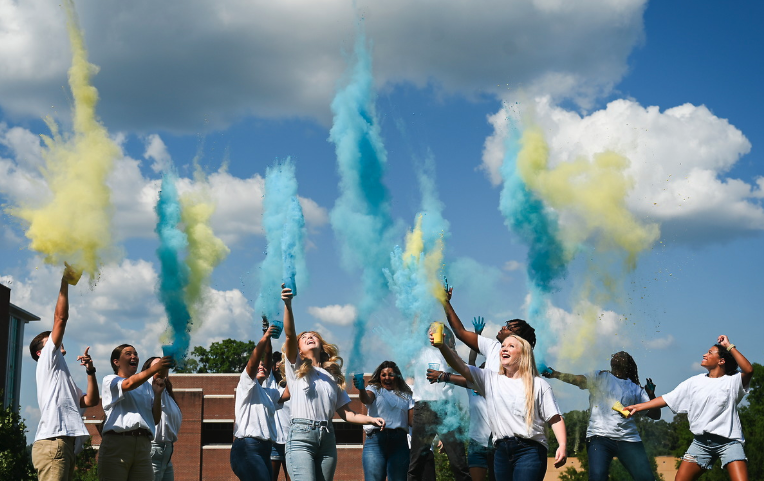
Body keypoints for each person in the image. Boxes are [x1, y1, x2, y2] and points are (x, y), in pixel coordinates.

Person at [280, 285, 385, 481]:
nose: (309, 337)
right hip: (301, 437)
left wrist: (371, 419)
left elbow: (348, 414)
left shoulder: (331, 377)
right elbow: (289, 334)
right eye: (304, 338)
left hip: (327, 438)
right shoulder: (296, 368)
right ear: (299, 350)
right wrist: (288, 305)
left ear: (321, 345)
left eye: (313, 336)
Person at [433, 332, 567, 480]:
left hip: (530, 451)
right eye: (503, 346)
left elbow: (555, 418)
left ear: (523, 354)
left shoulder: (539, 384)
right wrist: (442, 346)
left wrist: (562, 445)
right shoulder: (490, 379)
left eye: (511, 346)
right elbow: (460, 367)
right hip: (501, 452)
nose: (504, 348)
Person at [625, 335, 753, 481]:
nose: (705, 354)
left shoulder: (732, 382)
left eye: (710, 353)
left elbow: (748, 370)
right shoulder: (694, 382)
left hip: (728, 443)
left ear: (721, 361)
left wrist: (729, 346)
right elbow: (667, 398)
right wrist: (639, 406)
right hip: (701, 444)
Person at [29, 264, 100, 481]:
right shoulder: (48, 361)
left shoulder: (61, 376)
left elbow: (90, 400)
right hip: (53, 443)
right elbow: (60, 319)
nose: (60, 345)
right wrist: (65, 282)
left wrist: (90, 371)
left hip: (64, 445)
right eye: (52, 341)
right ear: (42, 352)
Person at [543, 351, 660, 481]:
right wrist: (555, 374)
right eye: (615, 355)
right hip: (599, 437)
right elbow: (578, 380)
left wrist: (651, 395)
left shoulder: (636, 389)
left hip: (629, 439)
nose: (617, 356)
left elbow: (656, 415)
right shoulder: (600, 376)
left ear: (628, 365)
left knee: (646, 478)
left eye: (622, 356)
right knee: (597, 477)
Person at [99, 345, 172, 481]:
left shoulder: (146, 386)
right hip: (118, 443)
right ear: (116, 362)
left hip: (144, 446)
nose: (134, 357)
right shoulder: (111, 380)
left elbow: (155, 419)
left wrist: (157, 394)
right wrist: (155, 367)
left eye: (136, 354)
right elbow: (128, 385)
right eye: (128, 354)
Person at [409, 325, 471, 481]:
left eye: (436, 330)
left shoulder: (449, 354)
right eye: (430, 330)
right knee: (416, 462)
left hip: (447, 409)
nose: (432, 333)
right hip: (424, 407)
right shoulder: (417, 352)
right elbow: (413, 325)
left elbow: (467, 373)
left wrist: (446, 345)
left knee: (459, 463)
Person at [231, 320, 283, 481]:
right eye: (258, 366)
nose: (261, 366)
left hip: (265, 449)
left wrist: (296, 363)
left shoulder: (269, 393)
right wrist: (265, 336)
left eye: (264, 366)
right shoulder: (246, 385)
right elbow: (255, 361)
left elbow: (288, 393)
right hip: (248, 447)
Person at [442, 285, 536, 371]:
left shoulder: (522, 365)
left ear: (518, 339)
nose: (503, 327)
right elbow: (460, 332)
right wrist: (446, 302)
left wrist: (444, 377)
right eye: (506, 325)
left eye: (509, 328)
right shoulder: (493, 346)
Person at [355, 360, 414, 481]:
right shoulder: (374, 389)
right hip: (375, 441)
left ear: (397, 376)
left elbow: (412, 421)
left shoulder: (407, 393)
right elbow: (366, 399)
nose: (387, 377)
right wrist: (361, 389)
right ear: (379, 377)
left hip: (400, 443)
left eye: (391, 374)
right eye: (384, 375)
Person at [141, 357, 183, 481]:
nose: (162, 367)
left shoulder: (165, 391)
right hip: (154, 449)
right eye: (158, 365)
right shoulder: (148, 386)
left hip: (167, 451)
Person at [466, 317, 495, 481]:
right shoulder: (472, 387)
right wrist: (477, 335)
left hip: (496, 442)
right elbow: (471, 361)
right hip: (476, 443)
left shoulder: (498, 389)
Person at [269, 350, 292, 481]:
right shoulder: (270, 383)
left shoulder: (292, 385)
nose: (279, 368)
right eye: (277, 365)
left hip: (292, 440)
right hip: (274, 440)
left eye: (282, 365)